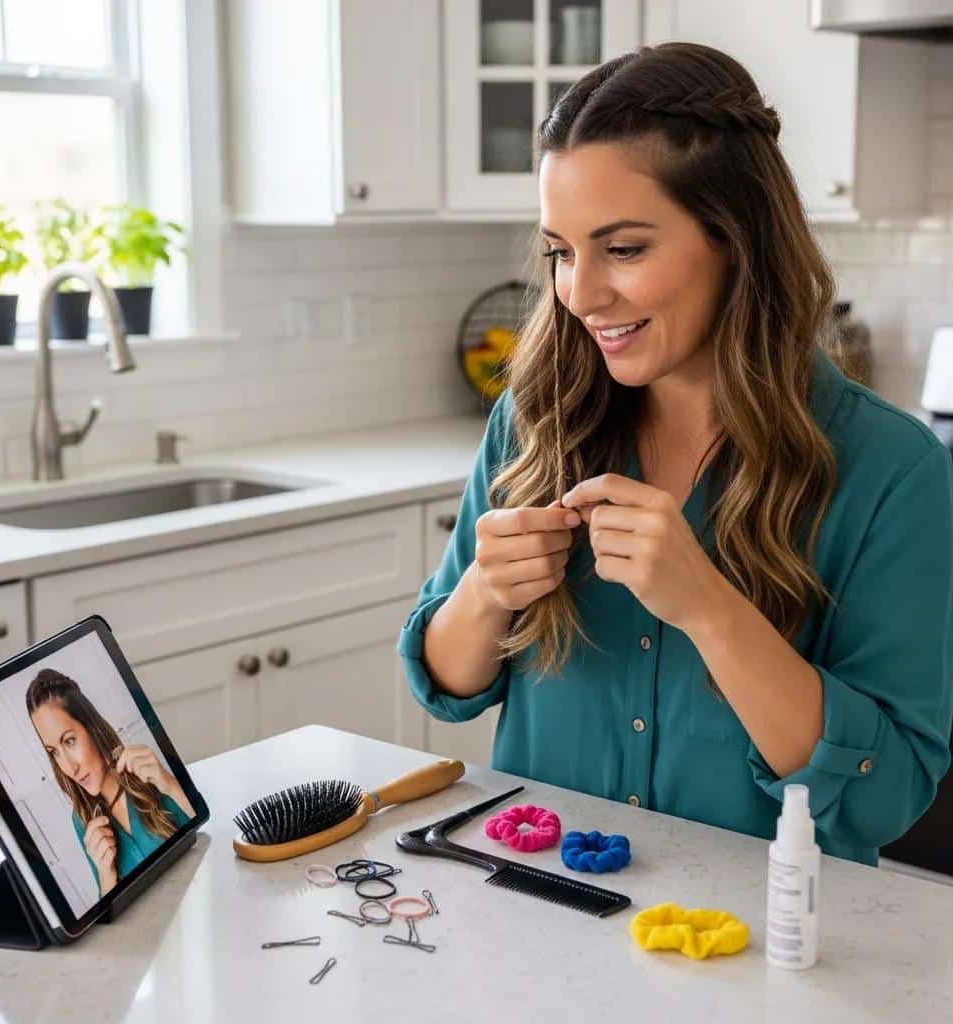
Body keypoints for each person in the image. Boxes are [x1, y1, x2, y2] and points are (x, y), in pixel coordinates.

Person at [398, 42, 953, 867]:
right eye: (560, 251)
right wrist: (484, 590)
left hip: (764, 951)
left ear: (736, 239)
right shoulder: (535, 418)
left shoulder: (891, 469)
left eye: (623, 249)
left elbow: (884, 794)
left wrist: (710, 608)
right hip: (541, 919)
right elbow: (446, 683)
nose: (580, 294)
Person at [26, 668, 195, 896]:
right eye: (54, 752)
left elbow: (206, 839)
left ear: (91, 727)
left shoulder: (146, 772)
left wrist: (171, 785)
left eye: (69, 741)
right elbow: (110, 914)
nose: (69, 767)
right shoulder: (82, 819)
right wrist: (106, 875)